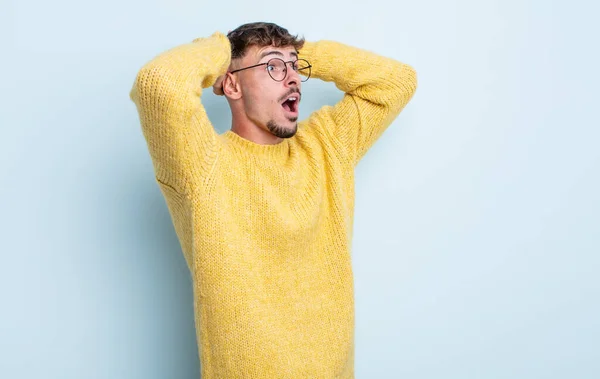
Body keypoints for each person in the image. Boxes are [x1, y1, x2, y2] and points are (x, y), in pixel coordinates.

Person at [130, 21, 417, 378]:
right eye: (272, 66)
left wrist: (299, 52)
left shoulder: (327, 146)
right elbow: (159, 83)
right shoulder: (200, 163)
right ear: (232, 84)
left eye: (295, 67)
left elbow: (396, 82)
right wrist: (222, 51)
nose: (293, 78)